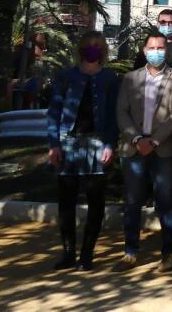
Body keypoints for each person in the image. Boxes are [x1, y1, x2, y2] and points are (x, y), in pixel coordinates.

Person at [114, 31, 172, 273]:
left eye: (161, 47)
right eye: (152, 47)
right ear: (144, 50)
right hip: (134, 149)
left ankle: (168, 254)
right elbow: (121, 112)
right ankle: (130, 252)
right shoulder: (130, 78)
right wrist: (137, 139)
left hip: (163, 149)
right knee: (133, 201)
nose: (156, 51)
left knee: (166, 201)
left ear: (166, 50)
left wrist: (154, 141)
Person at [45, 32, 120, 271]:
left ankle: (87, 254)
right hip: (68, 142)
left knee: (95, 200)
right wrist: (53, 143)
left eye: (97, 46)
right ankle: (68, 253)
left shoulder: (110, 78)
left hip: (97, 143)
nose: (92, 50)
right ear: (80, 49)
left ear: (103, 51)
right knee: (66, 201)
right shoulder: (66, 76)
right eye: (88, 46)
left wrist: (110, 144)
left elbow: (112, 116)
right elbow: (54, 111)